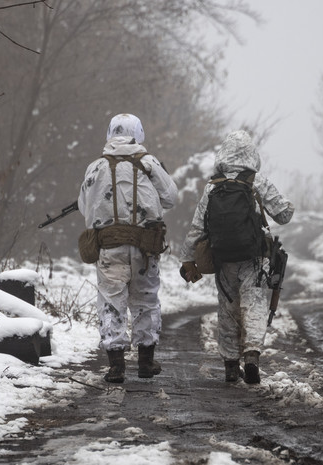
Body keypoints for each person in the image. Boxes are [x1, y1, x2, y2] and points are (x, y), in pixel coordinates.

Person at [179, 130, 294, 384]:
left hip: (222, 259)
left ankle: (231, 365)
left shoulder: (212, 187)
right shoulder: (256, 182)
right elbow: (285, 214)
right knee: (253, 303)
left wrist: (187, 259)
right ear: (251, 154)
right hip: (254, 257)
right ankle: (252, 355)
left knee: (227, 308)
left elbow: (197, 228)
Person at [78, 113, 178, 383]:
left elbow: (83, 206)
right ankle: (146, 363)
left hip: (109, 248)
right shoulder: (149, 164)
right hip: (146, 247)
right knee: (146, 302)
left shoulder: (95, 167)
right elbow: (171, 198)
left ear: (110, 133)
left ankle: (116, 367)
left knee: (112, 303)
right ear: (139, 133)